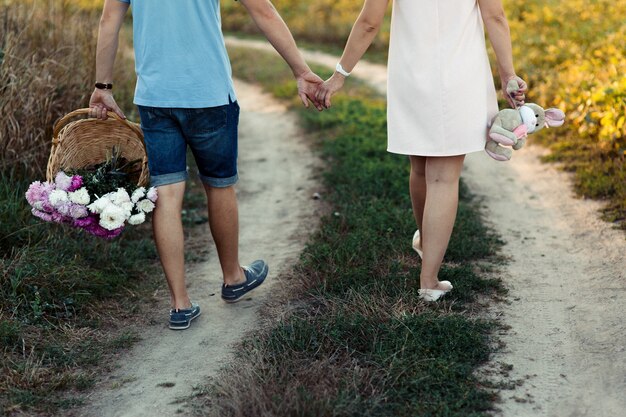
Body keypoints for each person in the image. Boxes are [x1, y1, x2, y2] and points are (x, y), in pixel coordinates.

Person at [89, 0, 324, 329]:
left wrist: (103, 86)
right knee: (219, 185)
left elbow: (109, 18)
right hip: (209, 94)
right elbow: (263, 11)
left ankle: (179, 304)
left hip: (156, 98)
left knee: (167, 194)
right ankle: (233, 277)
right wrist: (301, 70)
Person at [317, 0, 527, 301]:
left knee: (420, 167)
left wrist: (339, 76)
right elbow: (495, 15)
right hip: (460, 76)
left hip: (411, 76)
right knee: (443, 178)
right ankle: (428, 281)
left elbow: (369, 22)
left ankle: (426, 241)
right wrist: (507, 75)